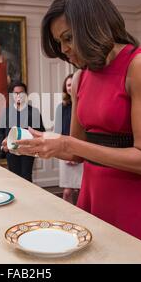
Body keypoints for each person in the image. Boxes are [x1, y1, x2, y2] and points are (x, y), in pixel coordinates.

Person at [14, 0, 141, 263]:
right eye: (60, 42)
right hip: (95, 192)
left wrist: (68, 143)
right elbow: (75, 149)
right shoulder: (82, 77)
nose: (65, 50)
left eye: (69, 38)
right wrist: (40, 144)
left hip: (140, 197)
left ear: (93, 25)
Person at [0, 82, 45, 182]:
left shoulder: (34, 112)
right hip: (11, 151)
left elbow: (41, 131)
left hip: (28, 152)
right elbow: (0, 132)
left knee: (26, 177)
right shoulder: (6, 112)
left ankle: (28, 198)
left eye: (21, 93)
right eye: (16, 93)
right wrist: (2, 146)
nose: (18, 95)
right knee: (14, 179)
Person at [55, 73, 83, 204]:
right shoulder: (61, 107)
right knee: (67, 191)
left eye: (72, 84)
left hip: (81, 150)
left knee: (82, 190)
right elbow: (59, 131)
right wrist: (66, 153)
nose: (70, 87)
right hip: (65, 149)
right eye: (68, 85)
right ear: (65, 88)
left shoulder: (83, 104)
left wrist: (77, 153)